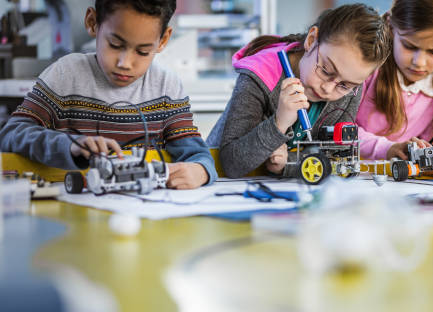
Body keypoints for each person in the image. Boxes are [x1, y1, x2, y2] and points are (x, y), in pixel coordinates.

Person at [0, 0, 217, 189]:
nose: (125, 63)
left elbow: (197, 155)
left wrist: (201, 171)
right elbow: (11, 134)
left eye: (142, 52)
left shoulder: (167, 87)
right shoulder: (65, 74)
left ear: (163, 40)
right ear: (93, 22)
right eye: (114, 45)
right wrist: (71, 145)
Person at [207, 3, 391, 178]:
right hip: (219, 183)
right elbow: (230, 163)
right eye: (326, 70)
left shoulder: (352, 90)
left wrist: (289, 165)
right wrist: (279, 123)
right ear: (311, 41)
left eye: (344, 85)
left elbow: (337, 160)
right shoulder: (259, 76)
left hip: (282, 193)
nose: (327, 88)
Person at [356, 0, 433, 181]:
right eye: (410, 46)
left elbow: (428, 148)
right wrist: (387, 149)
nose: (419, 62)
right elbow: (336, 129)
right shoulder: (365, 66)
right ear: (390, 28)